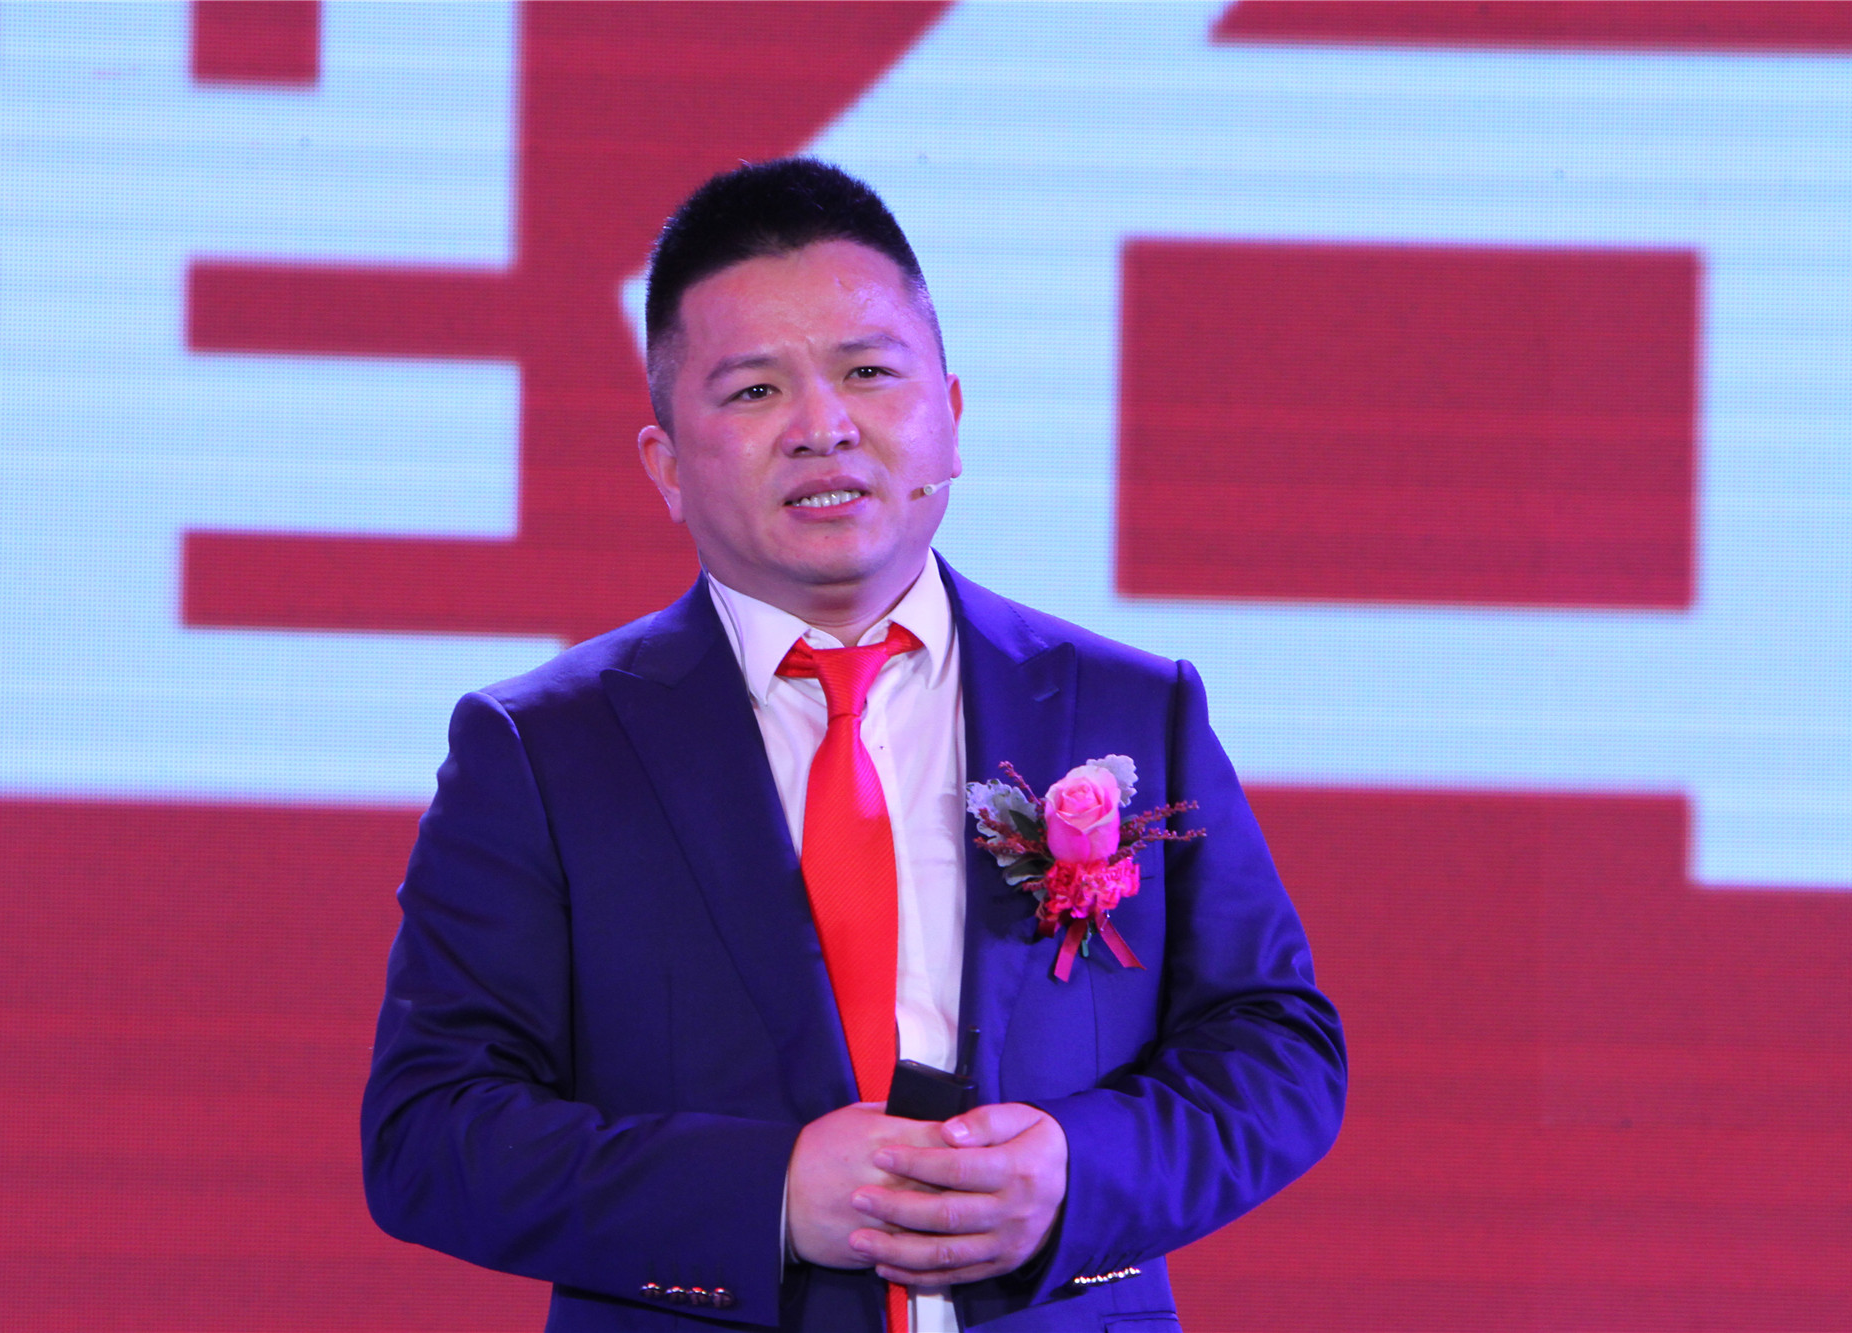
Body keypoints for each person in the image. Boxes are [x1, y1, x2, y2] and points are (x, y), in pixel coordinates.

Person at [360, 158, 1346, 1333]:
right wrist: (766, 1194)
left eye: (868, 372)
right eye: (752, 390)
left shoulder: (1130, 710)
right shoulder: (541, 749)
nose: (822, 428)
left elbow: (1277, 1050)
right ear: (664, 465)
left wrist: (1075, 1172)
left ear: (951, 415)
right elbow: (431, 1132)